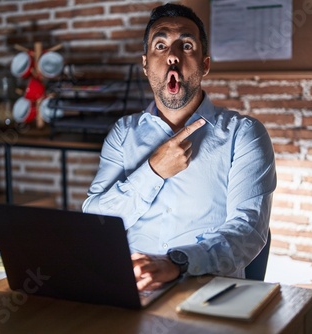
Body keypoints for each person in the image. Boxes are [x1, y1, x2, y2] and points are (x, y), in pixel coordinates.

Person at [82, 3, 276, 291]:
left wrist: (178, 263)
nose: (172, 56)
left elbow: (247, 231)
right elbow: (95, 220)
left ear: (205, 65)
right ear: (146, 64)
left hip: (207, 291)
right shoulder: (123, 133)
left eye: (186, 46)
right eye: (160, 45)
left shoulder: (244, 134)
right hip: (132, 288)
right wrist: (152, 171)